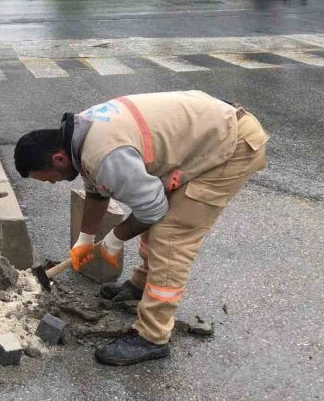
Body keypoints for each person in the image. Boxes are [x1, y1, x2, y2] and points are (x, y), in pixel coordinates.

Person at [14, 90, 268, 366]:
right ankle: (141, 286)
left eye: (48, 179)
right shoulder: (80, 136)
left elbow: (151, 209)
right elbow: (97, 191)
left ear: (59, 160)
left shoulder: (104, 154)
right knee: (156, 217)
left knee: (171, 236)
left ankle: (152, 336)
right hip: (206, 134)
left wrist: (114, 238)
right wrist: (85, 239)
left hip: (230, 146)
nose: (52, 184)